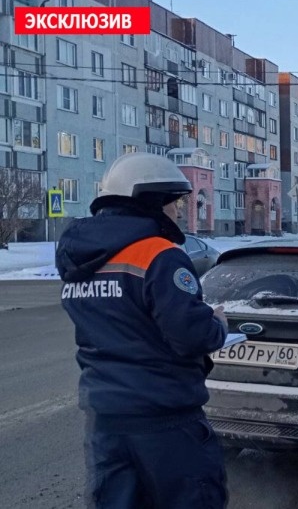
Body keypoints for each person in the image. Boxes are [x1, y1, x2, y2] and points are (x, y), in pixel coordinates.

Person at [55, 153, 230, 508]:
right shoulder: (158, 254)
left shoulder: (79, 261)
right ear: (149, 201)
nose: (179, 211)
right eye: (173, 202)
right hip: (164, 421)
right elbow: (190, 335)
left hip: (104, 420)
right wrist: (217, 325)